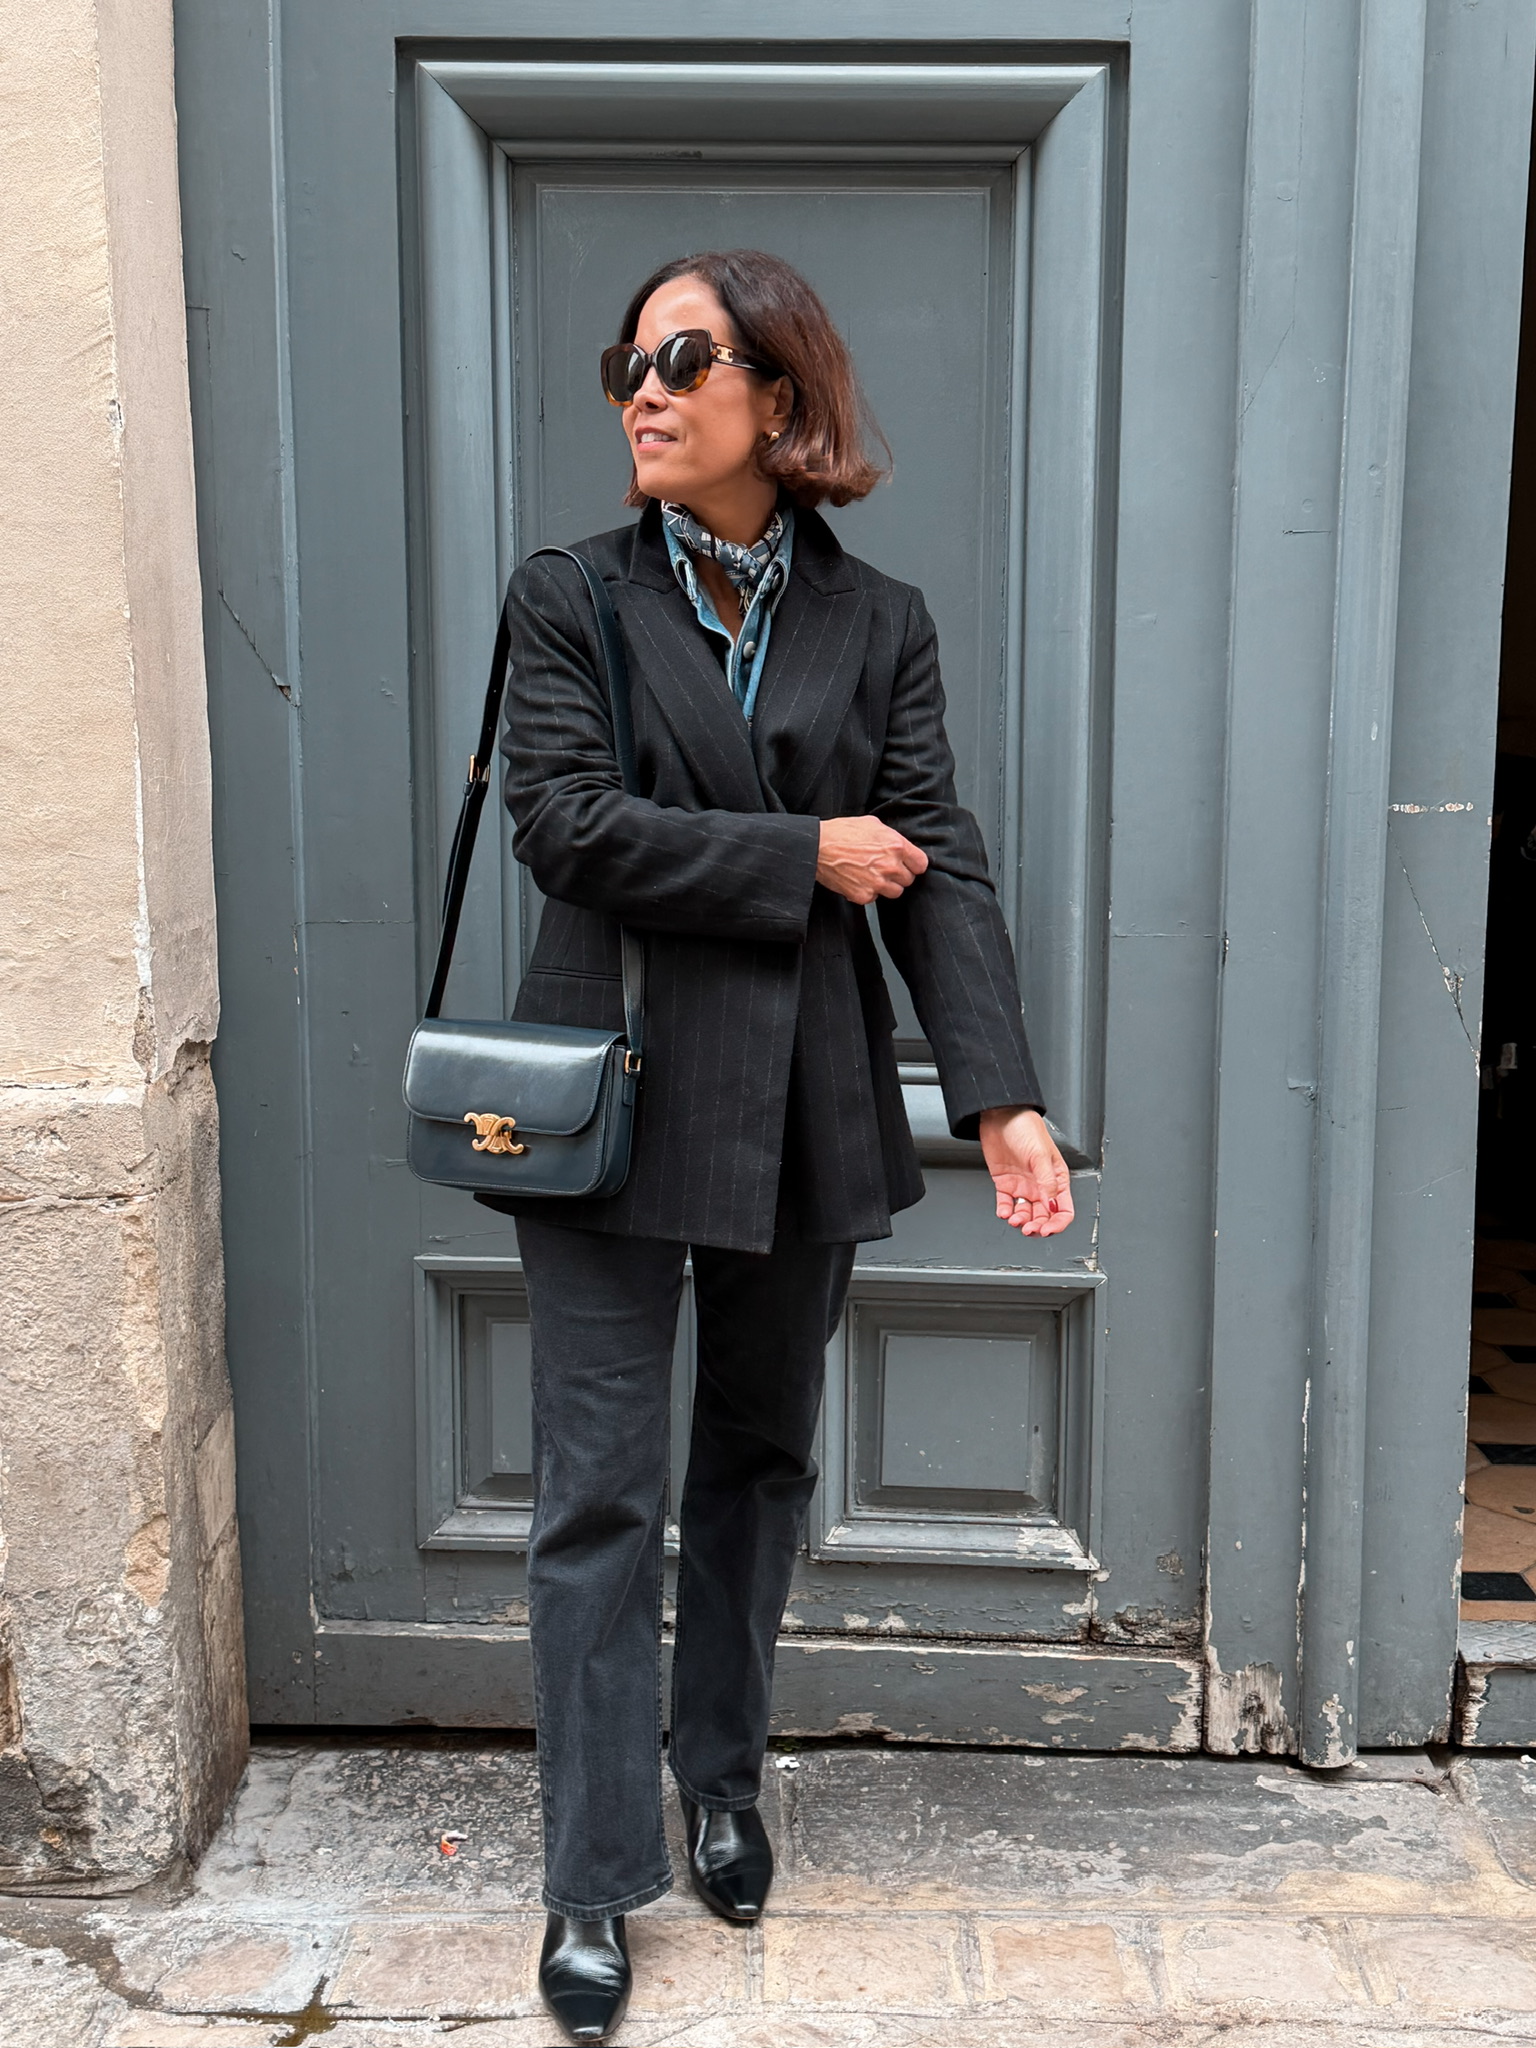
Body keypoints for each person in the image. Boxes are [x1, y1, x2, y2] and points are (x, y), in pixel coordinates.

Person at [484, 248, 1073, 2043]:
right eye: (628, 362)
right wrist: (802, 854)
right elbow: (566, 827)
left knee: (754, 1473)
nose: (642, 393)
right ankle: (596, 1872)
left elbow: (940, 855)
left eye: (683, 358)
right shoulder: (569, 596)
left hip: (799, 1114)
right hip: (613, 1093)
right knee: (599, 1497)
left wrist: (1002, 1092)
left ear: (783, 402)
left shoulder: (875, 619)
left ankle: (721, 1775)